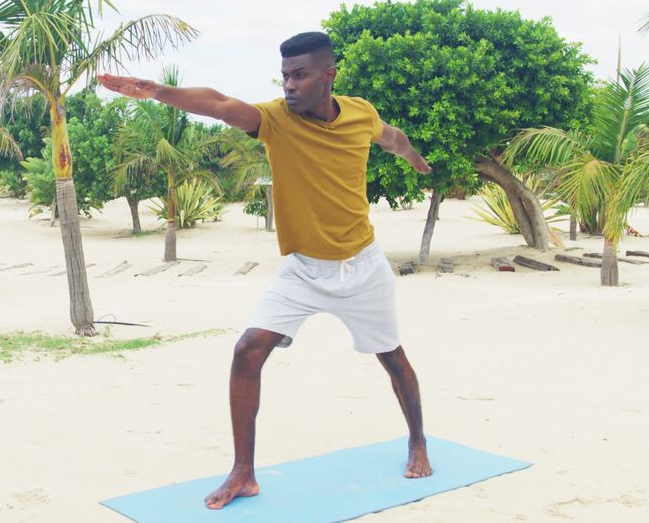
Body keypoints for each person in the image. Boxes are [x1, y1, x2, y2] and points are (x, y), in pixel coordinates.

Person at [98, 31, 433, 510]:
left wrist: (415, 158)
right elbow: (219, 103)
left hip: (363, 267)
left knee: (392, 357)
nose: (289, 86)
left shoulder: (361, 113)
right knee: (248, 350)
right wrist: (157, 92)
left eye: (299, 75)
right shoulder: (274, 120)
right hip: (302, 271)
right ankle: (243, 472)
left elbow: (393, 139)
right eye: (284, 77)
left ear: (328, 75)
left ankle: (417, 440)